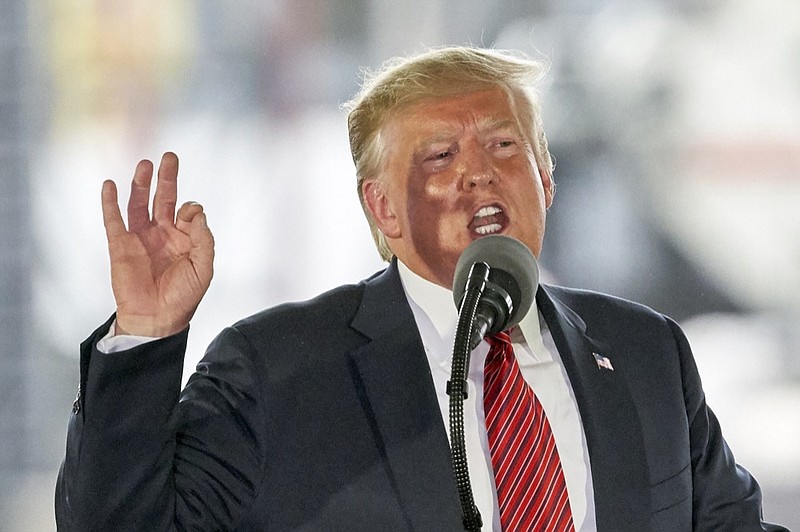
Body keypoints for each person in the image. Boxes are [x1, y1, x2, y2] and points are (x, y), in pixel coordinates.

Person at [55, 46, 787, 531]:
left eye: (505, 146)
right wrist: (146, 335)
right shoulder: (277, 368)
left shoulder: (645, 350)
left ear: (547, 179)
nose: (478, 171)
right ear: (383, 209)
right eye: (440, 155)